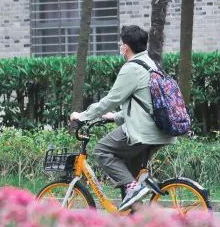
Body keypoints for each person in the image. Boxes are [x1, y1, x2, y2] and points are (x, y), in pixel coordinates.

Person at [69, 25, 175, 203]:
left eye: (120, 43)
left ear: (125, 47)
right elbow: (146, 103)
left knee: (102, 150)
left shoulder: (132, 68)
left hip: (143, 132)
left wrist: (83, 116)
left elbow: (111, 100)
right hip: (160, 131)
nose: (120, 46)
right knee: (130, 184)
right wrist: (116, 117)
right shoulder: (151, 64)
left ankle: (134, 189)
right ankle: (136, 221)